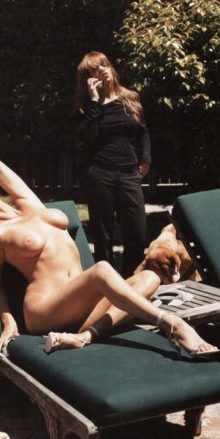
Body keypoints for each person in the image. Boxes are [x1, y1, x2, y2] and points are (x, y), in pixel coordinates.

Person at [0, 156, 218, 356]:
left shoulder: (28, 206)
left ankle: (84, 336)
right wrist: (8, 319)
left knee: (149, 278)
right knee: (102, 270)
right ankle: (171, 324)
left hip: (81, 306)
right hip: (45, 311)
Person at [75, 51, 151, 277]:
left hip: (129, 174)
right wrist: (94, 101)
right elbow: (87, 138)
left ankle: (130, 282)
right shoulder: (86, 108)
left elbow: (143, 132)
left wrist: (145, 160)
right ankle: (106, 284)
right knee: (103, 236)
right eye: (95, 69)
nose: (103, 70)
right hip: (101, 175)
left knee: (137, 235)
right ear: (88, 78)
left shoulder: (130, 99)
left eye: (105, 64)